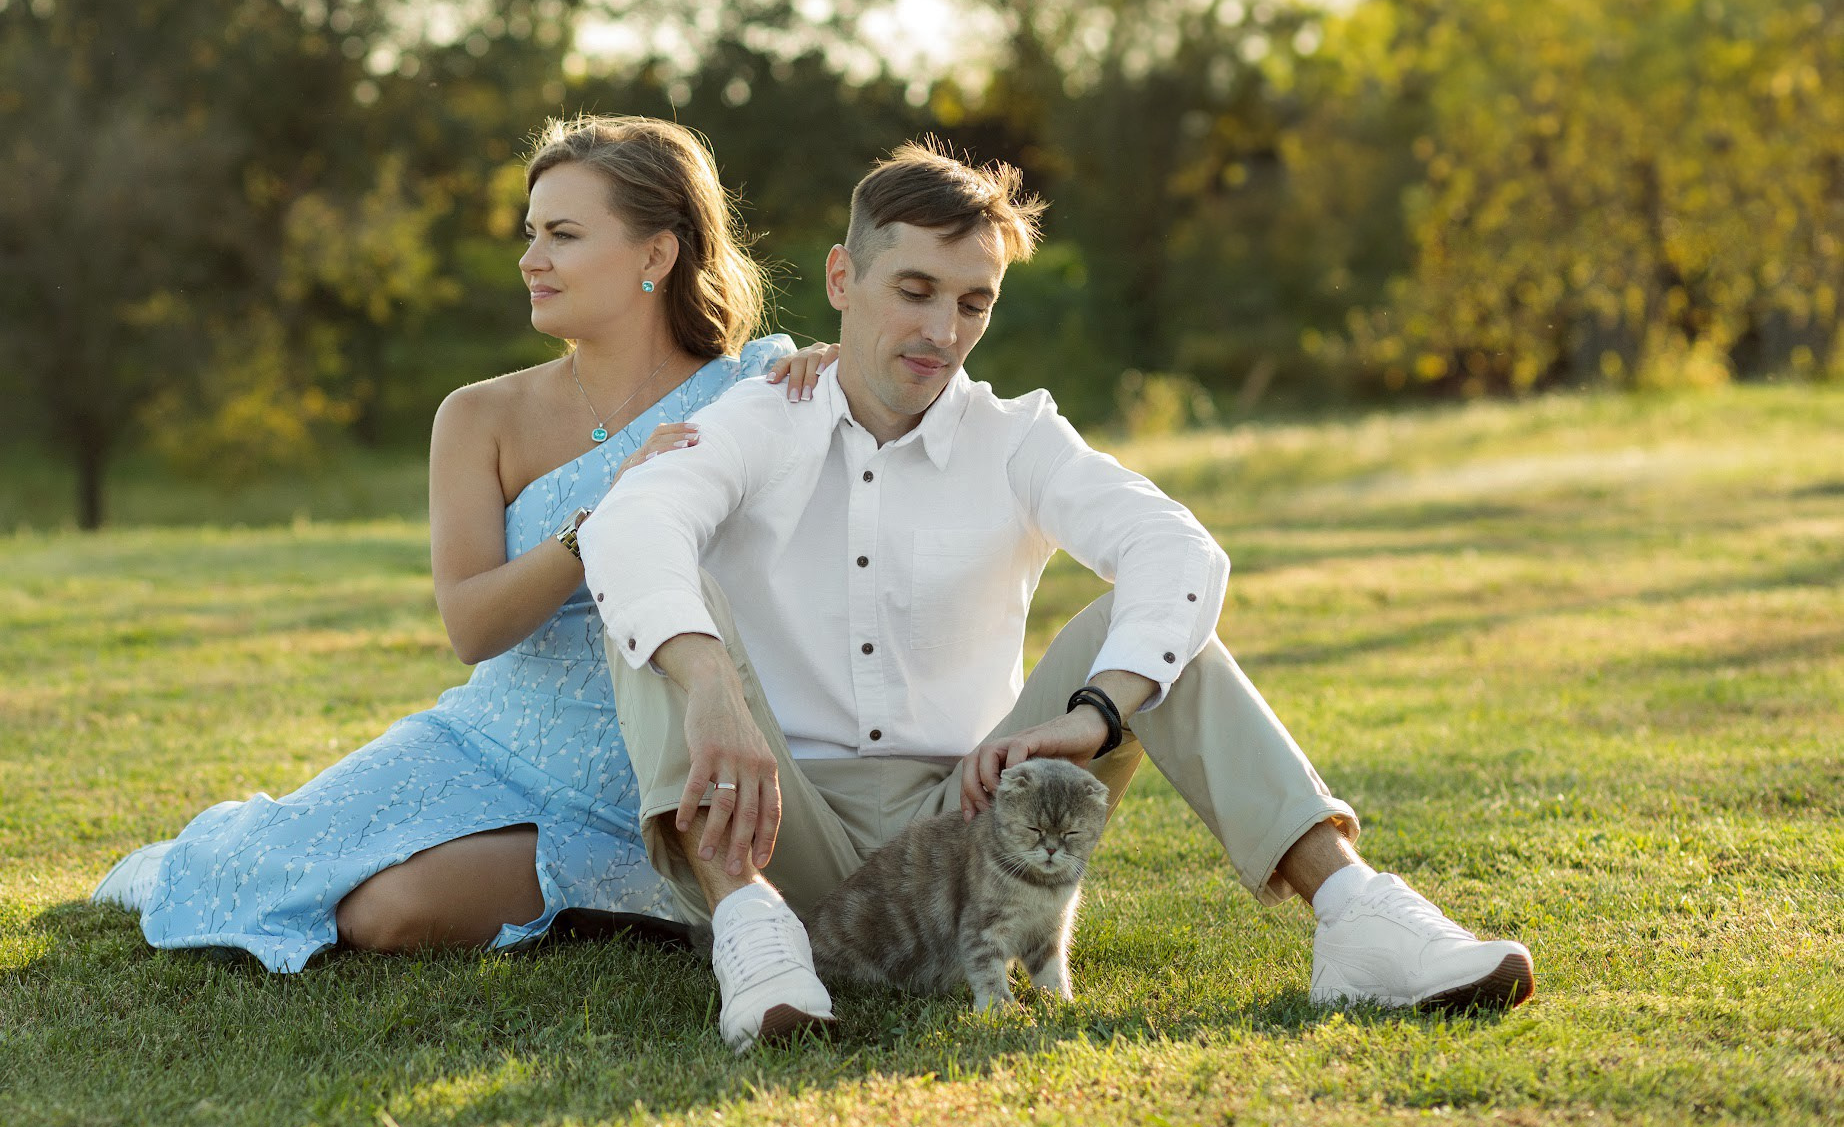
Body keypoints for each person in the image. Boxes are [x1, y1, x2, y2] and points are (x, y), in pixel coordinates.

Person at [580, 141, 1537, 1050]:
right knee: (663, 590)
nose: (941, 332)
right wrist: (707, 682)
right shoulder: (758, 418)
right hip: (777, 825)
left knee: (1166, 637)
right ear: (842, 278)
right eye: (913, 291)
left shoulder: (1019, 436)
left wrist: (1096, 711)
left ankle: (1356, 916)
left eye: (973, 302)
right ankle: (757, 939)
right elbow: (629, 528)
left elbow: (1178, 550)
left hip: (964, 846)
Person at [93, 116, 834, 967]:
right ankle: (196, 855)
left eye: (562, 234)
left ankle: (600, 891)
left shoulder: (752, 389)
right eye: (531, 234)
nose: (530, 259)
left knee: (394, 911)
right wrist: (606, 516)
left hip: (649, 778)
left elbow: (876, 420)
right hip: (491, 744)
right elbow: (472, 628)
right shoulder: (480, 415)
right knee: (283, 879)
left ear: (655, 257)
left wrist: (829, 372)